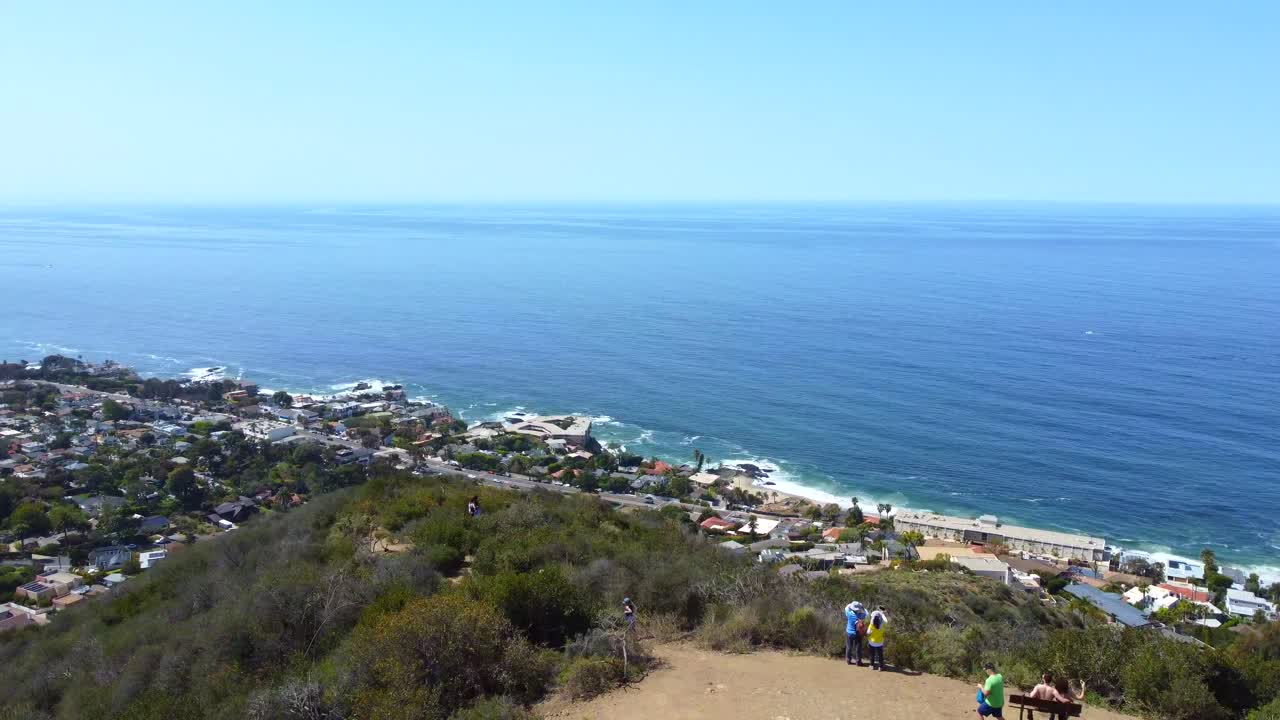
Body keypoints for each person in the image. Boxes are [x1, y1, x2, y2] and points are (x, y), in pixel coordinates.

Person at [843, 601, 868, 665]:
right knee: (858, 647)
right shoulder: (862, 615)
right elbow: (867, 613)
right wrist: (862, 607)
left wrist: (851, 605)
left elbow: (846, 607)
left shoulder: (849, 613)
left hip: (849, 632)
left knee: (849, 647)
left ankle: (848, 660)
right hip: (858, 633)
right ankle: (858, 661)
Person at [866, 606, 888, 670]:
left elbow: (868, 633)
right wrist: (882, 613)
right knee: (880, 655)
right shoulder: (883, 625)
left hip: (872, 642)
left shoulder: (871, 626)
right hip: (880, 643)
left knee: (872, 654)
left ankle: (871, 665)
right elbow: (885, 620)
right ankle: (881, 667)